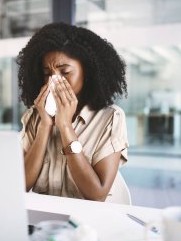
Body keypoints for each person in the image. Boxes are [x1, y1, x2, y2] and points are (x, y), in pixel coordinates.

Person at [17, 22, 129, 201]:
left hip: (87, 224)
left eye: (65, 72)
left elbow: (97, 194)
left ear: (88, 72)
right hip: (44, 222)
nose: (54, 80)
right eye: (47, 73)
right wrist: (45, 126)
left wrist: (65, 127)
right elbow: (20, 186)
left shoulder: (110, 118)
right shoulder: (34, 116)